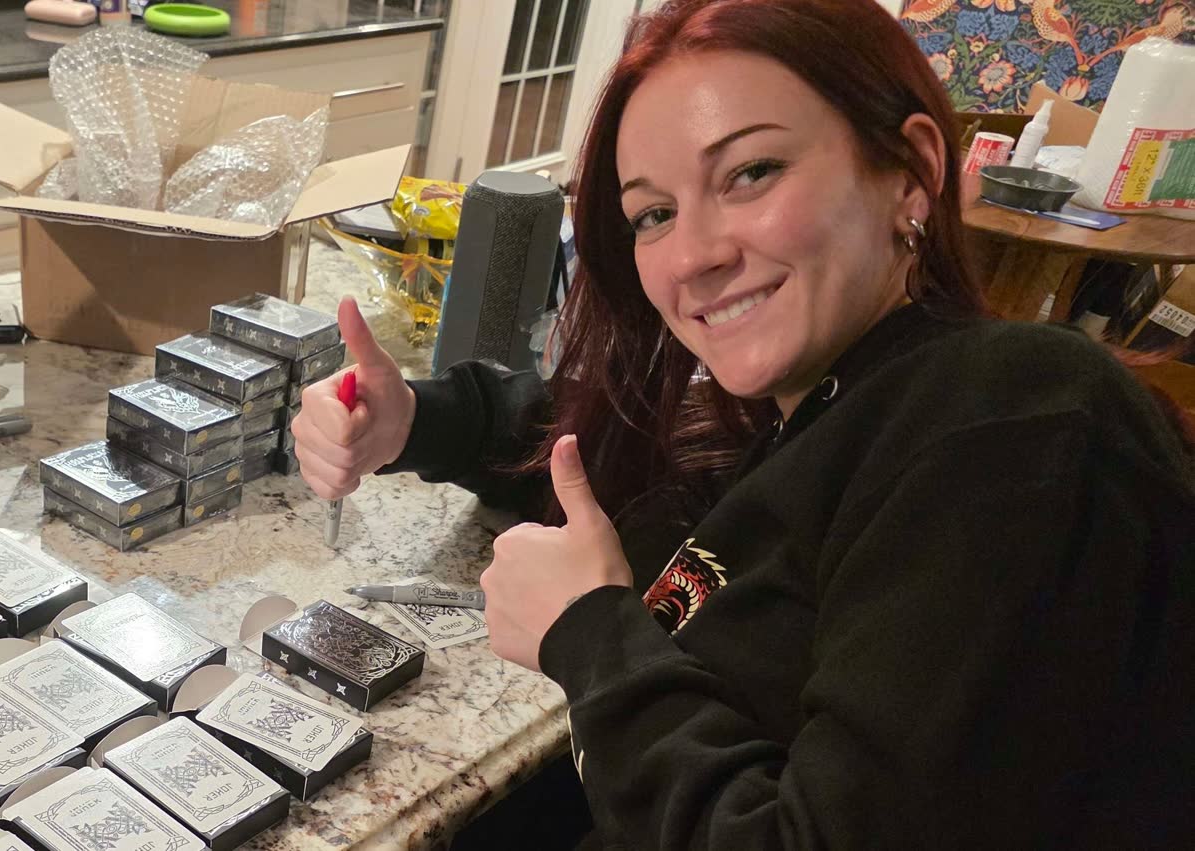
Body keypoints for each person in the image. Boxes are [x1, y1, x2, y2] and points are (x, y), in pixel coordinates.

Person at [290, 0, 1195, 846]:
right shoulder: (812, 408)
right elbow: (601, 454)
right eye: (654, 214)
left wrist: (591, 637)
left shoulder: (1016, 421)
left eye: (752, 172)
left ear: (912, 173)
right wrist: (413, 418)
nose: (694, 254)